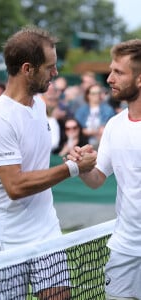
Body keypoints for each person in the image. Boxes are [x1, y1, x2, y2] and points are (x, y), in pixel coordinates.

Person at [0, 25, 96, 300]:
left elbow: (37, 166)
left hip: (45, 229)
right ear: (27, 69)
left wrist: (73, 158)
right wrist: (72, 169)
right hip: (5, 239)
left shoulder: (40, 105)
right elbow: (15, 186)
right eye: (49, 67)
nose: (55, 73)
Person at [68, 39, 141, 300]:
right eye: (110, 70)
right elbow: (97, 178)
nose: (109, 78)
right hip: (123, 248)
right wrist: (82, 167)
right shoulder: (114, 125)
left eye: (118, 72)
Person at [75, 83, 115, 149]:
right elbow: (77, 127)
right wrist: (94, 132)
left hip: (101, 141)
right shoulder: (81, 111)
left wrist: (92, 132)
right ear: (88, 95)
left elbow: (109, 128)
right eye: (93, 93)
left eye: (98, 93)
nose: (97, 95)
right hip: (83, 141)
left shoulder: (108, 110)